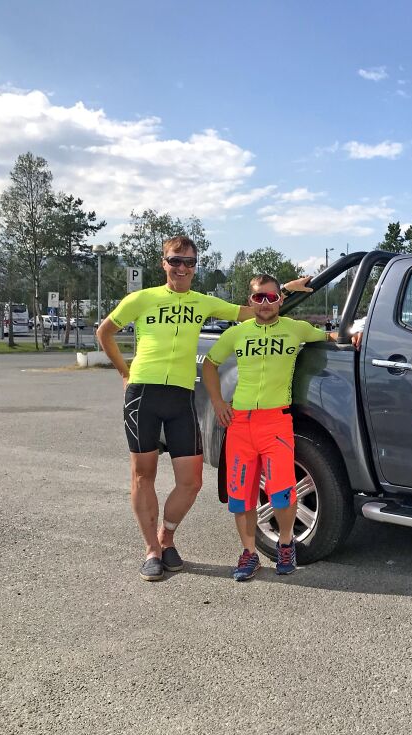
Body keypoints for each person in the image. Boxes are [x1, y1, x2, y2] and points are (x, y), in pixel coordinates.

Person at [97, 237, 313, 581]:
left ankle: (167, 536)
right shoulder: (141, 298)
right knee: (143, 475)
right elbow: (104, 332)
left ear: (196, 266)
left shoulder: (202, 302)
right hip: (144, 395)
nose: (181, 268)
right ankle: (152, 550)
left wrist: (285, 289)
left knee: (192, 481)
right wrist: (125, 372)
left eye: (188, 262)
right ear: (163, 262)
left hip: (181, 396)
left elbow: (253, 310)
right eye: (175, 261)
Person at [201, 274, 336, 580]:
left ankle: (286, 544)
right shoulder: (238, 333)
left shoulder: (295, 329)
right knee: (241, 496)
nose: (265, 303)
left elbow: (327, 338)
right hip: (240, 424)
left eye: (271, 297)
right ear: (250, 301)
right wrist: (218, 403)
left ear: (280, 300)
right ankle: (249, 554)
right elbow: (210, 364)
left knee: (282, 493)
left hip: (276, 422)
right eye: (259, 297)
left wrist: (352, 335)